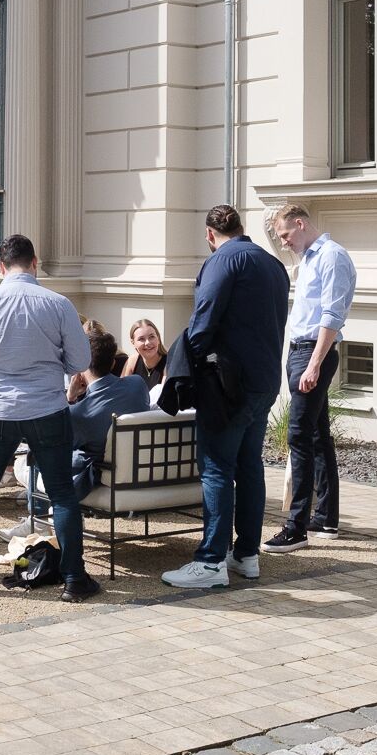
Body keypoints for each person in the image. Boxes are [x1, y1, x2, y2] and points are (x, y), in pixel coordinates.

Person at [0, 235, 97, 604]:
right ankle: (73, 578)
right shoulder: (59, 303)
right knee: (62, 494)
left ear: (1, 267)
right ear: (35, 263)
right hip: (47, 406)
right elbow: (80, 361)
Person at [161, 205, 289, 591]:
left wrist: (189, 362)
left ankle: (211, 561)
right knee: (249, 466)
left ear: (209, 234)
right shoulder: (272, 264)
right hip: (265, 379)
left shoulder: (222, 261)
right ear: (240, 227)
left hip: (229, 384)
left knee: (217, 467)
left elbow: (204, 317)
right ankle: (247, 554)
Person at [264, 202, 357, 553]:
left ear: (300, 224)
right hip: (300, 351)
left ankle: (296, 527)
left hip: (311, 354)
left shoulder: (332, 257)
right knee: (318, 436)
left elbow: (333, 314)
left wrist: (315, 364)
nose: (284, 241)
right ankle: (326, 517)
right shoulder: (310, 259)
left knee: (298, 436)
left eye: (285, 234)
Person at [12, 328, 150, 536]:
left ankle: (40, 521)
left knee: (35, 456)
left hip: (103, 475)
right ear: (113, 363)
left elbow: (54, 440)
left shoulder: (80, 414)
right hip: (140, 472)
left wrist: (69, 398)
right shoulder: (137, 385)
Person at [122, 318, 168, 395]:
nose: (147, 343)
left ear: (158, 338)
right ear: (133, 343)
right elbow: (122, 392)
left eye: (152, 337)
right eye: (141, 339)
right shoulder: (132, 361)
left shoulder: (169, 362)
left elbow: (164, 396)